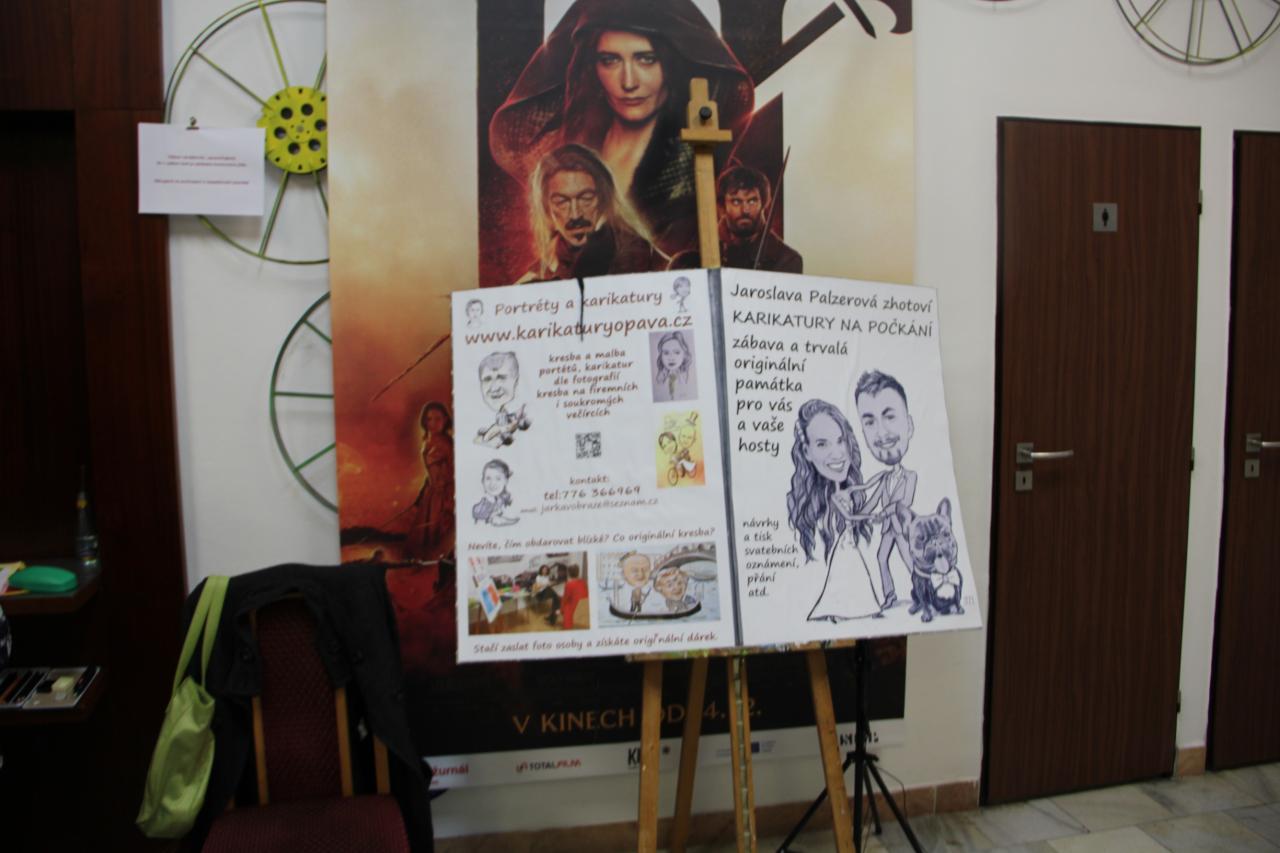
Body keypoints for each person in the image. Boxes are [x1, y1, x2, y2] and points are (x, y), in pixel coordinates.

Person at [489, 0, 754, 258]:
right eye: (610, 60)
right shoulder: (571, 151)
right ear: (592, 67)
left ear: (671, 64)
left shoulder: (699, 166)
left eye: (646, 59)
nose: (628, 82)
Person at [786, 399, 885, 621]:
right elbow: (850, 516)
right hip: (844, 546)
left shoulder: (849, 490)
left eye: (841, 441)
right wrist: (872, 516)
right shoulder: (830, 500)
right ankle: (838, 609)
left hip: (848, 544)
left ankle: (860, 607)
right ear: (807, 451)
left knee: (854, 575)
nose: (837, 453)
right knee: (843, 573)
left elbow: (866, 487)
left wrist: (882, 477)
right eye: (822, 444)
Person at [518, 144, 664, 283]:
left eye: (586, 198)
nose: (575, 215)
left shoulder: (641, 256)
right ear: (546, 208)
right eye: (561, 202)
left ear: (603, 200)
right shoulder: (539, 275)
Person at [854, 370, 917, 611]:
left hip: (900, 527)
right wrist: (857, 515)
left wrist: (884, 513)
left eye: (889, 417)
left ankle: (923, 591)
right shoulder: (883, 478)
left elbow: (904, 503)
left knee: (909, 560)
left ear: (909, 426)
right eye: (870, 422)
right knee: (882, 558)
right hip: (888, 529)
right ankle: (890, 595)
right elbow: (872, 502)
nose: (881, 433)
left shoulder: (910, 476)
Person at [406, 401, 455, 558]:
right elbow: (429, 473)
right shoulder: (426, 440)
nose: (433, 423)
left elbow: (454, 470)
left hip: (445, 494)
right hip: (431, 493)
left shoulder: (448, 444)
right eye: (429, 419)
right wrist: (421, 495)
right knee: (423, 533)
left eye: (438, 419)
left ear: (445, 420)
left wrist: (448, 496)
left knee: (440, 532)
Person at [475, 351, 530, 447]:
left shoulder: (525, 414)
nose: (494, 388)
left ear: (516, 381)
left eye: (501, 378)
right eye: (487, 379)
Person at [472, 459, 518, 527]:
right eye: (488, 478)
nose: (492, 483)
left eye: (498, 479)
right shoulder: (483, 504)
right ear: (483, 481)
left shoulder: (504, 497)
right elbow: (477, 513)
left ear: (505, 481)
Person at [653, 330, 694, 401]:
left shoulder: (685, 376)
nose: (671, 358)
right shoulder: (661, 375)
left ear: (684, 355)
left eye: (677, 352)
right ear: (661, 356)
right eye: (666, 353)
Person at [559, 564, 588, 629]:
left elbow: (565, 599)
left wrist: (561, 610)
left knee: (562, 601)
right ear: (578, 572)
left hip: (573, 607)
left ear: (568, 573)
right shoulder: (583, 582)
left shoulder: (569, 584)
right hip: (583, 605)